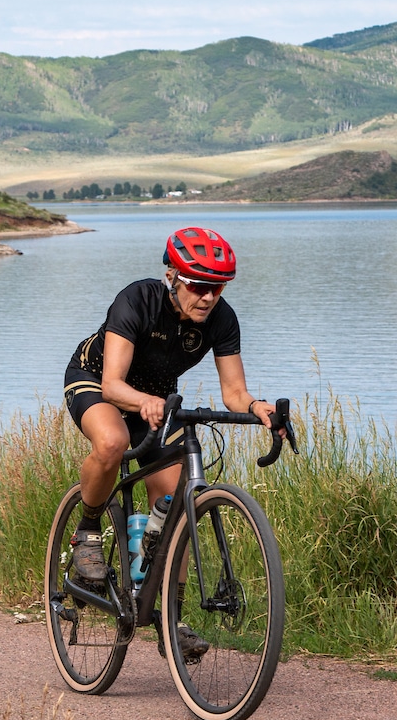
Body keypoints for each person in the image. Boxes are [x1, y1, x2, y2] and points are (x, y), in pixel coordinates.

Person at [63, 226, 279, 660]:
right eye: (199, 286)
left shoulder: (221, 319)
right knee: (111, 441)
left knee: (178, 503)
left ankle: (169, 619)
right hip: (97, 382)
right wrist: (146, 400)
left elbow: (233, 392)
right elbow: (113, 383)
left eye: (217, 287)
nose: (208, 297)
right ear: (172, 277)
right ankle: (86, 533)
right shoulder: (137, 300)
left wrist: (258, 407)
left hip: (155, 402)